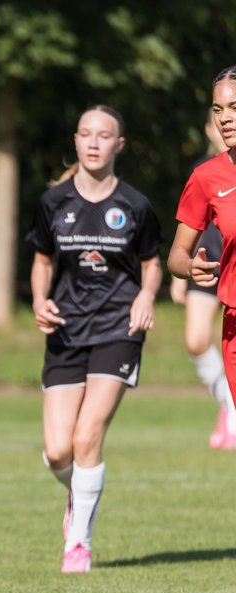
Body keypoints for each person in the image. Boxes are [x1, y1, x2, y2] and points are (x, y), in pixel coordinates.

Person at [28, 105, 163, 574]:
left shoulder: (135, 205)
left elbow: (151, 263)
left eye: (104, 135)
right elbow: (43, 260)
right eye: (86, 134)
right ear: (76, 140)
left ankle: (78, 542)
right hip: (66, 331)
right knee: (58, 451)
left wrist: (146, 296)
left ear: (118, 145)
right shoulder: (53, 203)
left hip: (117, 330)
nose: (93, 142)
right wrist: (39, 299)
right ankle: (78, 493)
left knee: (88, 437)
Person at [169, 67, 236, 428]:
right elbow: (177, 256)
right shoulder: (206, 177)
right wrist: (188, 266)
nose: (225, 118)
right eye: (218, 109)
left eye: (234, 107)